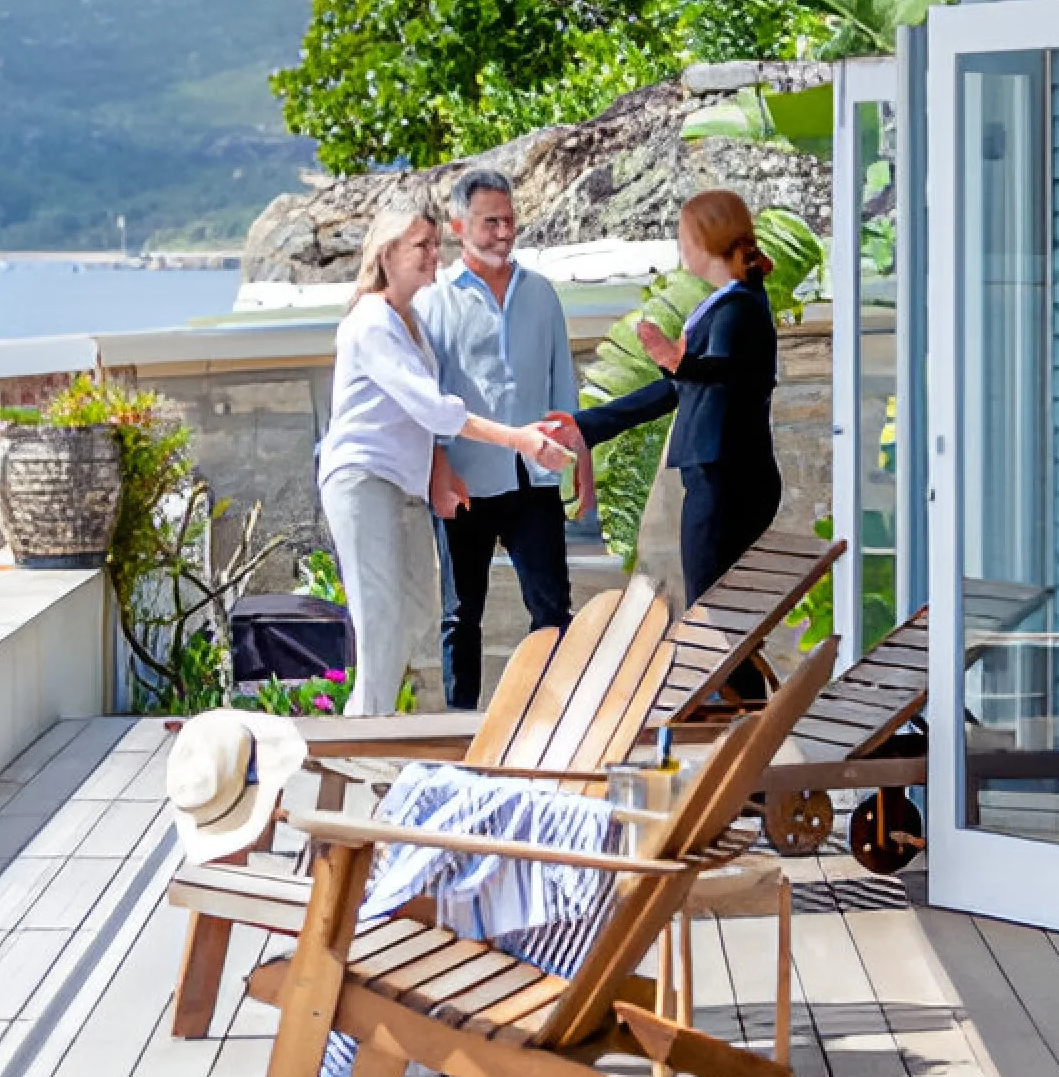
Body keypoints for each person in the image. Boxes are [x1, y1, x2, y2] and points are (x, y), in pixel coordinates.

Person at [318, 205, 573, 717]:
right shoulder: (371, 322)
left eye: (437, 243)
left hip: (400, 485)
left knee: (413, 611)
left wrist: (441, 470)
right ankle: (366, 737)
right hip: (362, 480)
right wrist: (519, 440)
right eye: (421, 244)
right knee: (380, 616)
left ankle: (370, 724)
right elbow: (434, 409)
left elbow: (425, 415)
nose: (435, 254)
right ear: (387, 252)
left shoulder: (408, 321)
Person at [543, 190, 782, 604]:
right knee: (713, 612)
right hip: (716, 479)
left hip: (729, 481)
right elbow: (678, 389)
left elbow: (727, 375)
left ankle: (725, 673)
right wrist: (587, 425)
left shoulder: (739, 307)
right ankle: (729, 672)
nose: (680, 247)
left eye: (684, 236)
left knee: (712, 615)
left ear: (706, 241)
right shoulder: (724, 304)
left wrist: (677, 361)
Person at [417, 170, 580, 709]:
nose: (504, 232)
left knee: (553, 609)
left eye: (509, 220)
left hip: (533, 481)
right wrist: (439, 471)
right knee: (462, 615)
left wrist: (581, 471)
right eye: (491, 222)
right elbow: (428, 400)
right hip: (466, 480)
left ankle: (551, 722)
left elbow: (564, 390)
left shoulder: (542, 295)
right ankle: (459, 731)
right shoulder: (434, 303)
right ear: (460, 226)